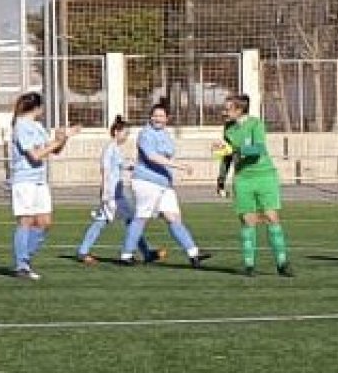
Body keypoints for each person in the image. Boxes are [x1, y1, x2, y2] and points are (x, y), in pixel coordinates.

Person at [118, 102, 211, 268]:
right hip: (146, 182)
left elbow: (167, 158)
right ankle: (126, 254)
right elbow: (152, 157)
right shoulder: (146, 134)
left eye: (161, 116)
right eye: (155, 115)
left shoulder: (166, 135)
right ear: (151, 116)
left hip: (164, 184)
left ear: (167, 118)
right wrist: (180, 166)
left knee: (174, 217)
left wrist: (177, 168)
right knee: (142, 217)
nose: (158, 119)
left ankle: (193, 254)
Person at [214, 94, 292, 277]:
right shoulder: (228, 128)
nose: (224, 112)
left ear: (239, 110)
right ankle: (249, 265)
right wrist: (221, 178)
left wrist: (235, 150)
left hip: (265, 176)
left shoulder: (256, 124)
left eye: (227, 108)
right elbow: (225, 156)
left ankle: (282, 263)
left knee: (272, 217)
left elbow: (259, 149)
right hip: (243, 179)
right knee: (248, 220)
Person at [7, 92, 79, 280]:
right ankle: (21, 264)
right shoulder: (21, 126)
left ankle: (25, 260)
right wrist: (56, 141)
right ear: (37, 108)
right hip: (24, 180)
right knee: (26, 221)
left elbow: (54, 151)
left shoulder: (38, 126)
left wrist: (63, 138)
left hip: (39, 180)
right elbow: (35, 155)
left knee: (45, 222)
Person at [76, 115, 164, 265]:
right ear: (116, 132)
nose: (126, 136)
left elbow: (120, 165)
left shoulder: (115, 148)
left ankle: (146, 252)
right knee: (119, 222)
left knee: (119, 222)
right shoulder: (110, 148)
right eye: (125, 133)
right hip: (111, 194)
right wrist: (104, 192)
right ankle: (83, 252)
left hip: (117, 193)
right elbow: (104, 170)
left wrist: (133, 166)